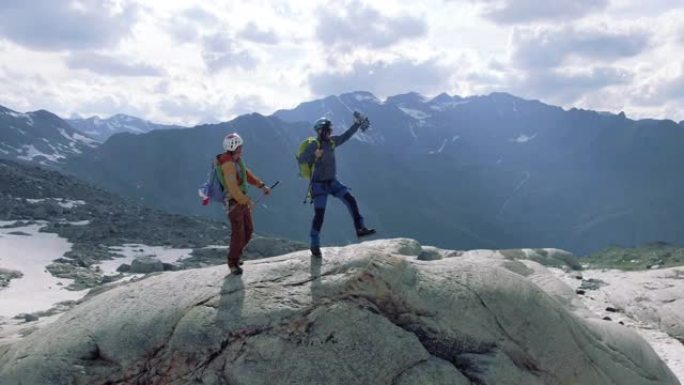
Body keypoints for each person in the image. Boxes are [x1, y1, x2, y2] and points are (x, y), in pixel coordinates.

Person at [300, 115, 375, 258]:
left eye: (330, 129)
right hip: (318, 186)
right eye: (327, 130)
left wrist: (357, 125)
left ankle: (360, 228)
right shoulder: (314, 145)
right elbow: (302, 158)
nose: (330, 132)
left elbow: (346, 136)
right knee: (319, 215)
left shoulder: (332, 142)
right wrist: (314, 155)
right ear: (320, 131)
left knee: (350, 200)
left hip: (332, 182)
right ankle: (314, 244)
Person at [219, 132, 271, 275]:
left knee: (248, 230)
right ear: (234, 147)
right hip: (234, 203)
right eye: (240, 146)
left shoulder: (237, 161)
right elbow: (233, 188)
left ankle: (235, 256)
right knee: (238, 234)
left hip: (240, 201)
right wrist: (246, 201)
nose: (242, 148)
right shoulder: (228, 165)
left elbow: (246, 174)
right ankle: (233, 263)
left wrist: (261, 185)